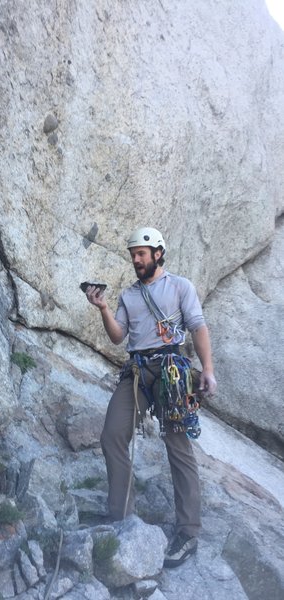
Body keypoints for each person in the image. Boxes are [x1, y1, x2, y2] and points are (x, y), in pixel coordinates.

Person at [85, 226, 217, 568]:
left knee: (177, 445)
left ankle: (188, 531)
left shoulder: (179, 286)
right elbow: (118, 337)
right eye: (133, 255)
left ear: (158, 253)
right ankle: (121, 515)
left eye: (141, 254)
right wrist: (102, 309)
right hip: (138, 371)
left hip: (172, 370)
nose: (136, 260)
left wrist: (207, 369)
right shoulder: (129, 296)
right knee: (113, 434)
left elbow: (198, 326)